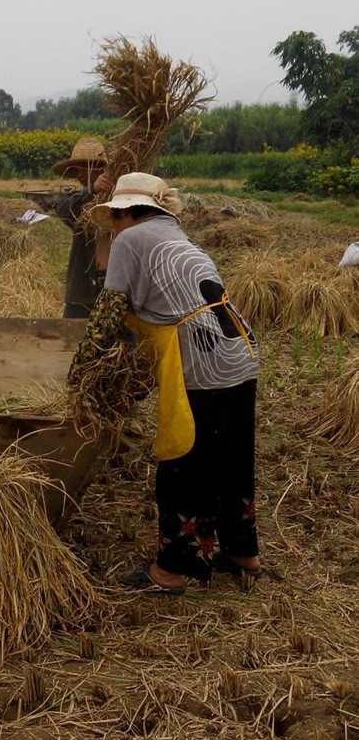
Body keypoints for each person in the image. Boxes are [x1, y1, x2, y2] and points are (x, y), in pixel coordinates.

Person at [70, 172, 261, 594]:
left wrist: (80, 373)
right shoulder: (177, 235)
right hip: (240, 350)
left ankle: (171, 570)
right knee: (231, 454)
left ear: (124, 213)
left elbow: (108, 312)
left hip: (202, 357)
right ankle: (242, 551)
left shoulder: (130, 240)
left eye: (116, 217)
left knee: (184, 460)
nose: (114, 226)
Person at [52, 137, 114, 318]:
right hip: (81, 290)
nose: (78, 175)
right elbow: (64, 211)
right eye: (75, 170)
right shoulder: (80, 200)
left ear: (99, 168)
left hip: (113, 285)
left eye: (82, 168)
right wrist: (92, 190)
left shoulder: (120, 198)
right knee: (72, 340)